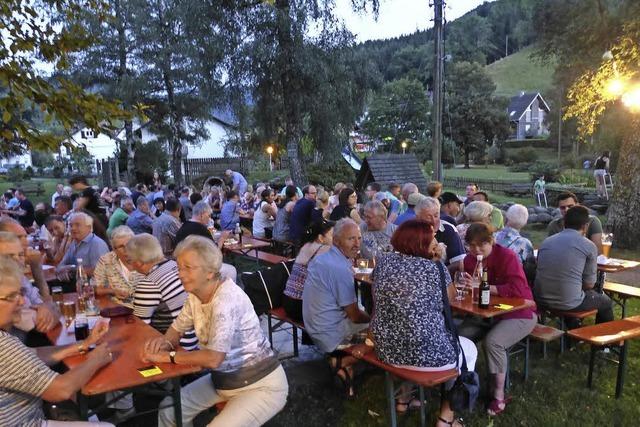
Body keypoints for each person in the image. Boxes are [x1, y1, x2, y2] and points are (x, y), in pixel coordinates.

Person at [142, 236, 288, 427]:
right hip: (224, 381)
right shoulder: (196, 295)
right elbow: (177, 328)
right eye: (179, 268)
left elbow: (213, 358)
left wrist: (168, 356)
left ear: (210, 272)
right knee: (169, 409)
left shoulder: (226, 299)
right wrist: (165, 344)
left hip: (261, 385)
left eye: (188, 268)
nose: (181, 274)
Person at [370, 219, 477, 423]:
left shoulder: (383, 262)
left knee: (409, 330)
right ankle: (446, 418)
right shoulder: (435, 269)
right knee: (469, 349)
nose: (435, 243)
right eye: (432, 240)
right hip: (427, 354)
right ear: (419, 244)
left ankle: (403, 399)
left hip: (386, 348)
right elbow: (451, 298)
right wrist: (436, 262)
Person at [0, 256, 115, 427]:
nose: (23, 302)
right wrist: (96, 359)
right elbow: (61, 389)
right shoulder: (4, 346)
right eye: (11, 296)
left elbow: (34, 354)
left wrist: (83, 344)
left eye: (21, 293)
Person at [457, 223, 536, 416]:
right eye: (472, 245)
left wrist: (484, 285)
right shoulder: (469, 260)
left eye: (481, 245)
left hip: (519, 312)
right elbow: (469, 291)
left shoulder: (506, 257)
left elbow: (518, 291)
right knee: (459, 337)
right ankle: (461, 385)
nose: (476, 250)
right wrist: (467, 288)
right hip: (485, 314)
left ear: (491, 241)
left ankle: (498, 394)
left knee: (493, 342)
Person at [302, 218, 370, 396]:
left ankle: (345, 372)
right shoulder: (339, 268)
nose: (357, 244)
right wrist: (373, 320)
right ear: (337, 241)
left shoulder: (324, 258)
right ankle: (344, 362)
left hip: (314, 327)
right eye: (351, 239)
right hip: (331, 334)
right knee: (382, 334)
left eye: (359, 238)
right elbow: (354, 316)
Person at [534, 205, 613, 325]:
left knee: (571, 290)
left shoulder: (546, 242)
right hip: (568, 302)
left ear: (564, 223)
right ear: (585, 226)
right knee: (605, 301)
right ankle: (604, 342)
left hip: (540, 298)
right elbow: (589, 284)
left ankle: (573, 327)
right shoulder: (589, 246)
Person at [126, 234, 198, 350]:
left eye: (130, 260)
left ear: (139, 262)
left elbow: (139, 327)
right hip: (195, 339)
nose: (130, 265)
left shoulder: (148, 284)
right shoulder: (174, 266)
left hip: (176, 346)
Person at [0, 232, 58, 338]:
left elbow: (47, 305)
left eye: (21, 254)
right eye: (9, 256)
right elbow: (38, 323)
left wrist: (48, 309)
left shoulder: (22, 279)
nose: (19, 260)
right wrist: (50, 310)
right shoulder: (5, 287)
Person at [282, 221, 334, 321]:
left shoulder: (306, 246)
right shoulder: (325, 249)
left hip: (287, 302)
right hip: (301, 306)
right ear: (321, 238)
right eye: (333, 236)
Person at [415, 197, 465, 273]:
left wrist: (439, 274)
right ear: (418, 218)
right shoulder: (411, 231)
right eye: (428, 217)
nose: (433, 221)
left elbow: (459, 262)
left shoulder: (448, 229)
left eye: (436, 215)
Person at [94, 226, 142, 302]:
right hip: (118, 308)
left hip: (146, 308)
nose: (126, 249)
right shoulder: (106, 260)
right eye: (121, 246)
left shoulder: (146, 257)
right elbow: (96, 289)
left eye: (129, 244)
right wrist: (112, 291)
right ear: (114, 249)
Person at [56, 212, 109, 279]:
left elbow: (100, 271)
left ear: (89, 227)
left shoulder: (97, 244)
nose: (73, 228)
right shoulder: (74, 243)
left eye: (77, 225)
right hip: (74, 282)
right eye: (71, 225)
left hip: (92, 286)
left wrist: (73, 269)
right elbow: (60, 266)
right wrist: (65, 270)